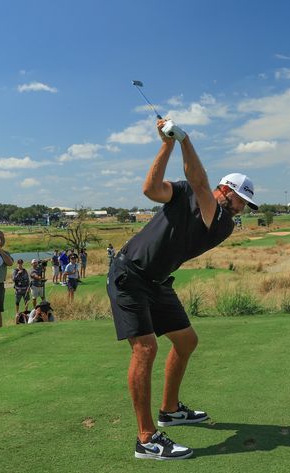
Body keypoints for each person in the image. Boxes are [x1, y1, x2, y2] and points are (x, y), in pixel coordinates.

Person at [107, 118, 258, 460]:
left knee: (186, 341)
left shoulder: (222, 223)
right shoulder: (187, 192)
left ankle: (170, 409)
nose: (242, 210)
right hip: (129, 274)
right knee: (145, 349)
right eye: (241, 202)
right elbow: (150, 189)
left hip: (157, 281)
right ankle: (146, 439)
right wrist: (168, 143)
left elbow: (200, 183)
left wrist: (184, 139)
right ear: (228, 191)